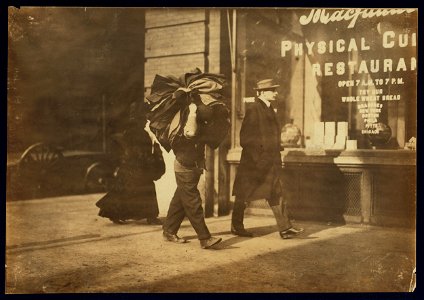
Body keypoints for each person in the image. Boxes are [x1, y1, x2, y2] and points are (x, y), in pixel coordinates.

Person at [231, 79, 304, 239]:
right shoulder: (254, 109)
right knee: (244, 194)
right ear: (262, 93)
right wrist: (260, 157)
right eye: (272, 90)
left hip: (270, 162)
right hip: (255, 163)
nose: (276, 92)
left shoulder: (270, 109)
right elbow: (245, 138)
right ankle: (237, 226)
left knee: (276, 192)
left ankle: (285, 228)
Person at [162, 102, 222, 249]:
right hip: (184, 167)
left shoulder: (200, 122)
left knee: (180, 200)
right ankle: (205, 238)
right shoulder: (188, 120)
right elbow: (191, 133)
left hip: (193, 166)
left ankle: (169, 231)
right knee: (193, 203)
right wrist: (193, 112)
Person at [96, 103, 165, 225]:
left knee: (125, 190)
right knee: (143, 190)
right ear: (139, 118)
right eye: (144, 118)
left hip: (132, 166)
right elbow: (139, 152)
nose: (146, 121)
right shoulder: (138, 132)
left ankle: (115, 214)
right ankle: (150, 216)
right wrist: (153, 156)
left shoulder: (131, 131)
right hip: (137, 167)